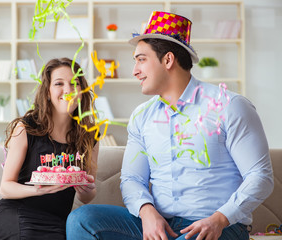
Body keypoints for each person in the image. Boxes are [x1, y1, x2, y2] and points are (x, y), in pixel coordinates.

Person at [66, 11, 273, 240]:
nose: (135, 70)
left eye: (141, 59)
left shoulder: (230, 106)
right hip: (162, 224)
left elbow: (260, 176)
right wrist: (147, 212)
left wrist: (220, 218)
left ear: (168, 60)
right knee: (83, 220)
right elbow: (133, 179)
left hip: (219, 227)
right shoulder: (141, 116)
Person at [0, 58, 99, 240]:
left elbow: (88, 196)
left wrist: (86, 189)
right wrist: (39, 190)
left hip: (57, 220)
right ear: (47, 92)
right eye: (58, 84)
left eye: (74, 84)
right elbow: (5, 188)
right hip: (16, 213)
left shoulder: (90, 136)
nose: (68, 90)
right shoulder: (26, 128)